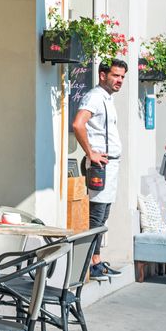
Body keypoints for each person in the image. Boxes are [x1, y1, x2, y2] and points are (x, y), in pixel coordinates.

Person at [73, 59, 127, 278]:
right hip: (100, 165)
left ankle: (96, 260)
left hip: (110, 164)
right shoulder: (94, 96)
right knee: (96, 216)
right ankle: (90, 264)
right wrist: (90, 153)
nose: (119, 80)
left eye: (122, 77)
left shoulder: (107, 98)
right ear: (102, 75)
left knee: (102, 215)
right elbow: (78, 124)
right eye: (115, 75)